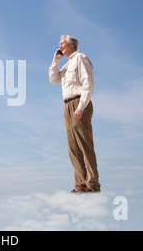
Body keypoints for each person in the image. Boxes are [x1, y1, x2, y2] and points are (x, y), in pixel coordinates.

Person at [48, 35, 101, 193]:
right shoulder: (66, 65)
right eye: (59, 45)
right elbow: (53, 79)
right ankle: (80, 185)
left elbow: (88, 84)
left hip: (79, 103)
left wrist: (81, 107)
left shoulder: (80, 58)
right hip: (67, 106)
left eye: (63, 44)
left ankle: (92, 185)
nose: (60, 47)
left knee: (85, 146)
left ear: (72, 45)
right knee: (73, 148)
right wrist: (55, 60)